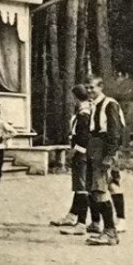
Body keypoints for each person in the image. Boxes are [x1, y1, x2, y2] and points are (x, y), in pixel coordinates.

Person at [82, 75, 126, 246]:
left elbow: (115, 132)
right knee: (94, 189)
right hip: (93, 147)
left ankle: (110, 232)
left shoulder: (109, 104)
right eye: (87, 87)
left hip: (103, 148)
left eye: (92, 87)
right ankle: (103, 228)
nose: (89, 90)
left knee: (100, 189)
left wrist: (110, 155)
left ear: (101, 87)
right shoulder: (93, 105)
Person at [52, 84, 93, 233]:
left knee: (82, 188)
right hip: (82, 153)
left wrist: (74, 152)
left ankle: (81, 223)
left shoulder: (84, 114)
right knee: (78, 186)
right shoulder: (84, 112)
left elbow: (84, 138)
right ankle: (72, 215)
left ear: (75, 98)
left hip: (82, 154)